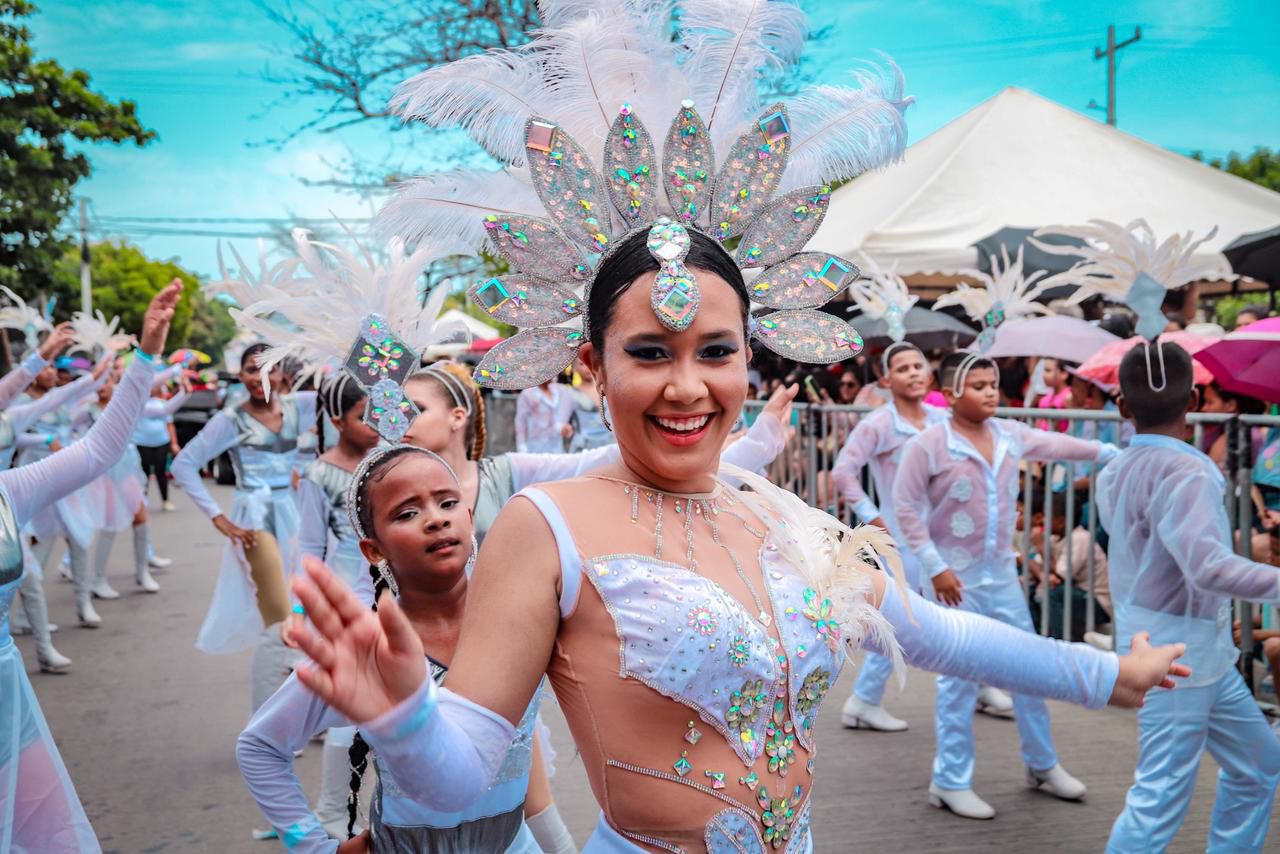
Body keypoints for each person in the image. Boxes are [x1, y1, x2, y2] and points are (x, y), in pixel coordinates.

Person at [286, 228, 1185, 851]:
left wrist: (1108, 676)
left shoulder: (775, 508)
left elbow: (933, 633)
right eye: (650, 353)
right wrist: (405, 719)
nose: (688, 386)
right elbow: (464, 777)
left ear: (748, 357)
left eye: (715, 351)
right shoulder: (546, 524)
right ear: (593, 365)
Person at [239, 446, 548, 853]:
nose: (436, 518)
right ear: (374, 549)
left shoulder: (522, 617)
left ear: (469, 519)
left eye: (448, 502)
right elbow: (259, 747)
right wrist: (313, 846)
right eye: (407, 513)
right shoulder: (370, 652)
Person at [893, 351, 1121, 820]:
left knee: (1030, 669)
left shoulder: (1009, 435)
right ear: (953, 393)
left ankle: (1041, 764)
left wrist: (1110, 451)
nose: (990, 392)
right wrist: (934, 566)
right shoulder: (930, 445)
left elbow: (1057, 446)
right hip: (957, 581)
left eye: (993, 384)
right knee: (957, 680)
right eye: (977, 385)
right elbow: (905, 507)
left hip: (1001, 576)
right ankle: (950, 779)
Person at [0, 280, 181, 852]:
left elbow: (101, 449)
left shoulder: (10, 490)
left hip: (8, 698)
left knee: (43, 835)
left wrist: (146, 354)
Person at [1101, 342, 1280, 853]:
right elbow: (1208, 568)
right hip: (1176, 658)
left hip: (1191, 649)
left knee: (1260, 763)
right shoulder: (1190, 469)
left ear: (1122, 405)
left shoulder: (1117, 468)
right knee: (1158, 799)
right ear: (1196, 399)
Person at [171, 342, 316, 709]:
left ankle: (306, 706)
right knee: (279, 621)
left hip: (298, 516)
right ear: (240, 374)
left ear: (284, 374)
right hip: (255, 519)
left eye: (268, 369)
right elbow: (184, 465)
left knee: (306, 613)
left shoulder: (302, 405)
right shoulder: (230, 419)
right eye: (251, 369)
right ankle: (268, 722)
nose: (258, 377)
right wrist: (218, 517)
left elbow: (348, 407)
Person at [832, 341, 948, 732]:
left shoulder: (941, 418)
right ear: (886, 379)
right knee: (900, 619)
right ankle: (864, 699)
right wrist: (872, 518)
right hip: (901, 537)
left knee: (962, 610)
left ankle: (975, 682)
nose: (913, 372)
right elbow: (843, 472)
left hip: (945, 533)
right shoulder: (879, 423)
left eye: (919, 365)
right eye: (902, 368)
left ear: (930, 374)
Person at [293, 373, 381, 838]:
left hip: (394, 600)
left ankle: (382, 814)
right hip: (348, 605)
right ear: (336, 421)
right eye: (361, 415)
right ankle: (331, 811)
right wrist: (300, 614)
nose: (372, 423)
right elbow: (309, 546)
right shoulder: (319, 474)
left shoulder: (388, 462)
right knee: (349, 715)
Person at [79, 364, 186, 600]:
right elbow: (67, 430)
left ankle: (142, 572)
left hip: (127, 464)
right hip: (103, 469)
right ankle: (98, 580)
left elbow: (157, 398)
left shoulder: (126, 405)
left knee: (141, 515)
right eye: (102, 381)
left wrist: (177, 373)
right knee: (108, 523)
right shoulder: (87, 410)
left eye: (110, 381)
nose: (105, 386)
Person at [133, 373, 183, 512]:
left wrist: (174, 443)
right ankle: (142, 501)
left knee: (161, 472)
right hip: (142, 442)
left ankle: (165, 500)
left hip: (161, 441)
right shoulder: (139, 404)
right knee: (144, 472)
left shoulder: (164, 404)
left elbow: (169, 424)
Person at [514, 380, 574, 454]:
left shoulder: (561, 390)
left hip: (556, 448)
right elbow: (521, 421)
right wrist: (521, 446)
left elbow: (559, 420)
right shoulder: (528, 394)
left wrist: (563, 428)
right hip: (535, 448)